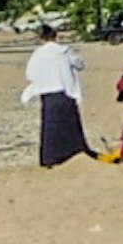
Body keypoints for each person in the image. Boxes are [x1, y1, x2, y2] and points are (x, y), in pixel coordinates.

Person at [23, 33, 91, 167]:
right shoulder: (64, 51)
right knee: (70, 125)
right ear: (56, 37)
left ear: (42, 39)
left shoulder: (38, 53)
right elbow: (80, 64)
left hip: (48, 93)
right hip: (65, 91)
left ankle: (49, 159)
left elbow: (30, 74)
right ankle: (72, 153)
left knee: (50, 127)